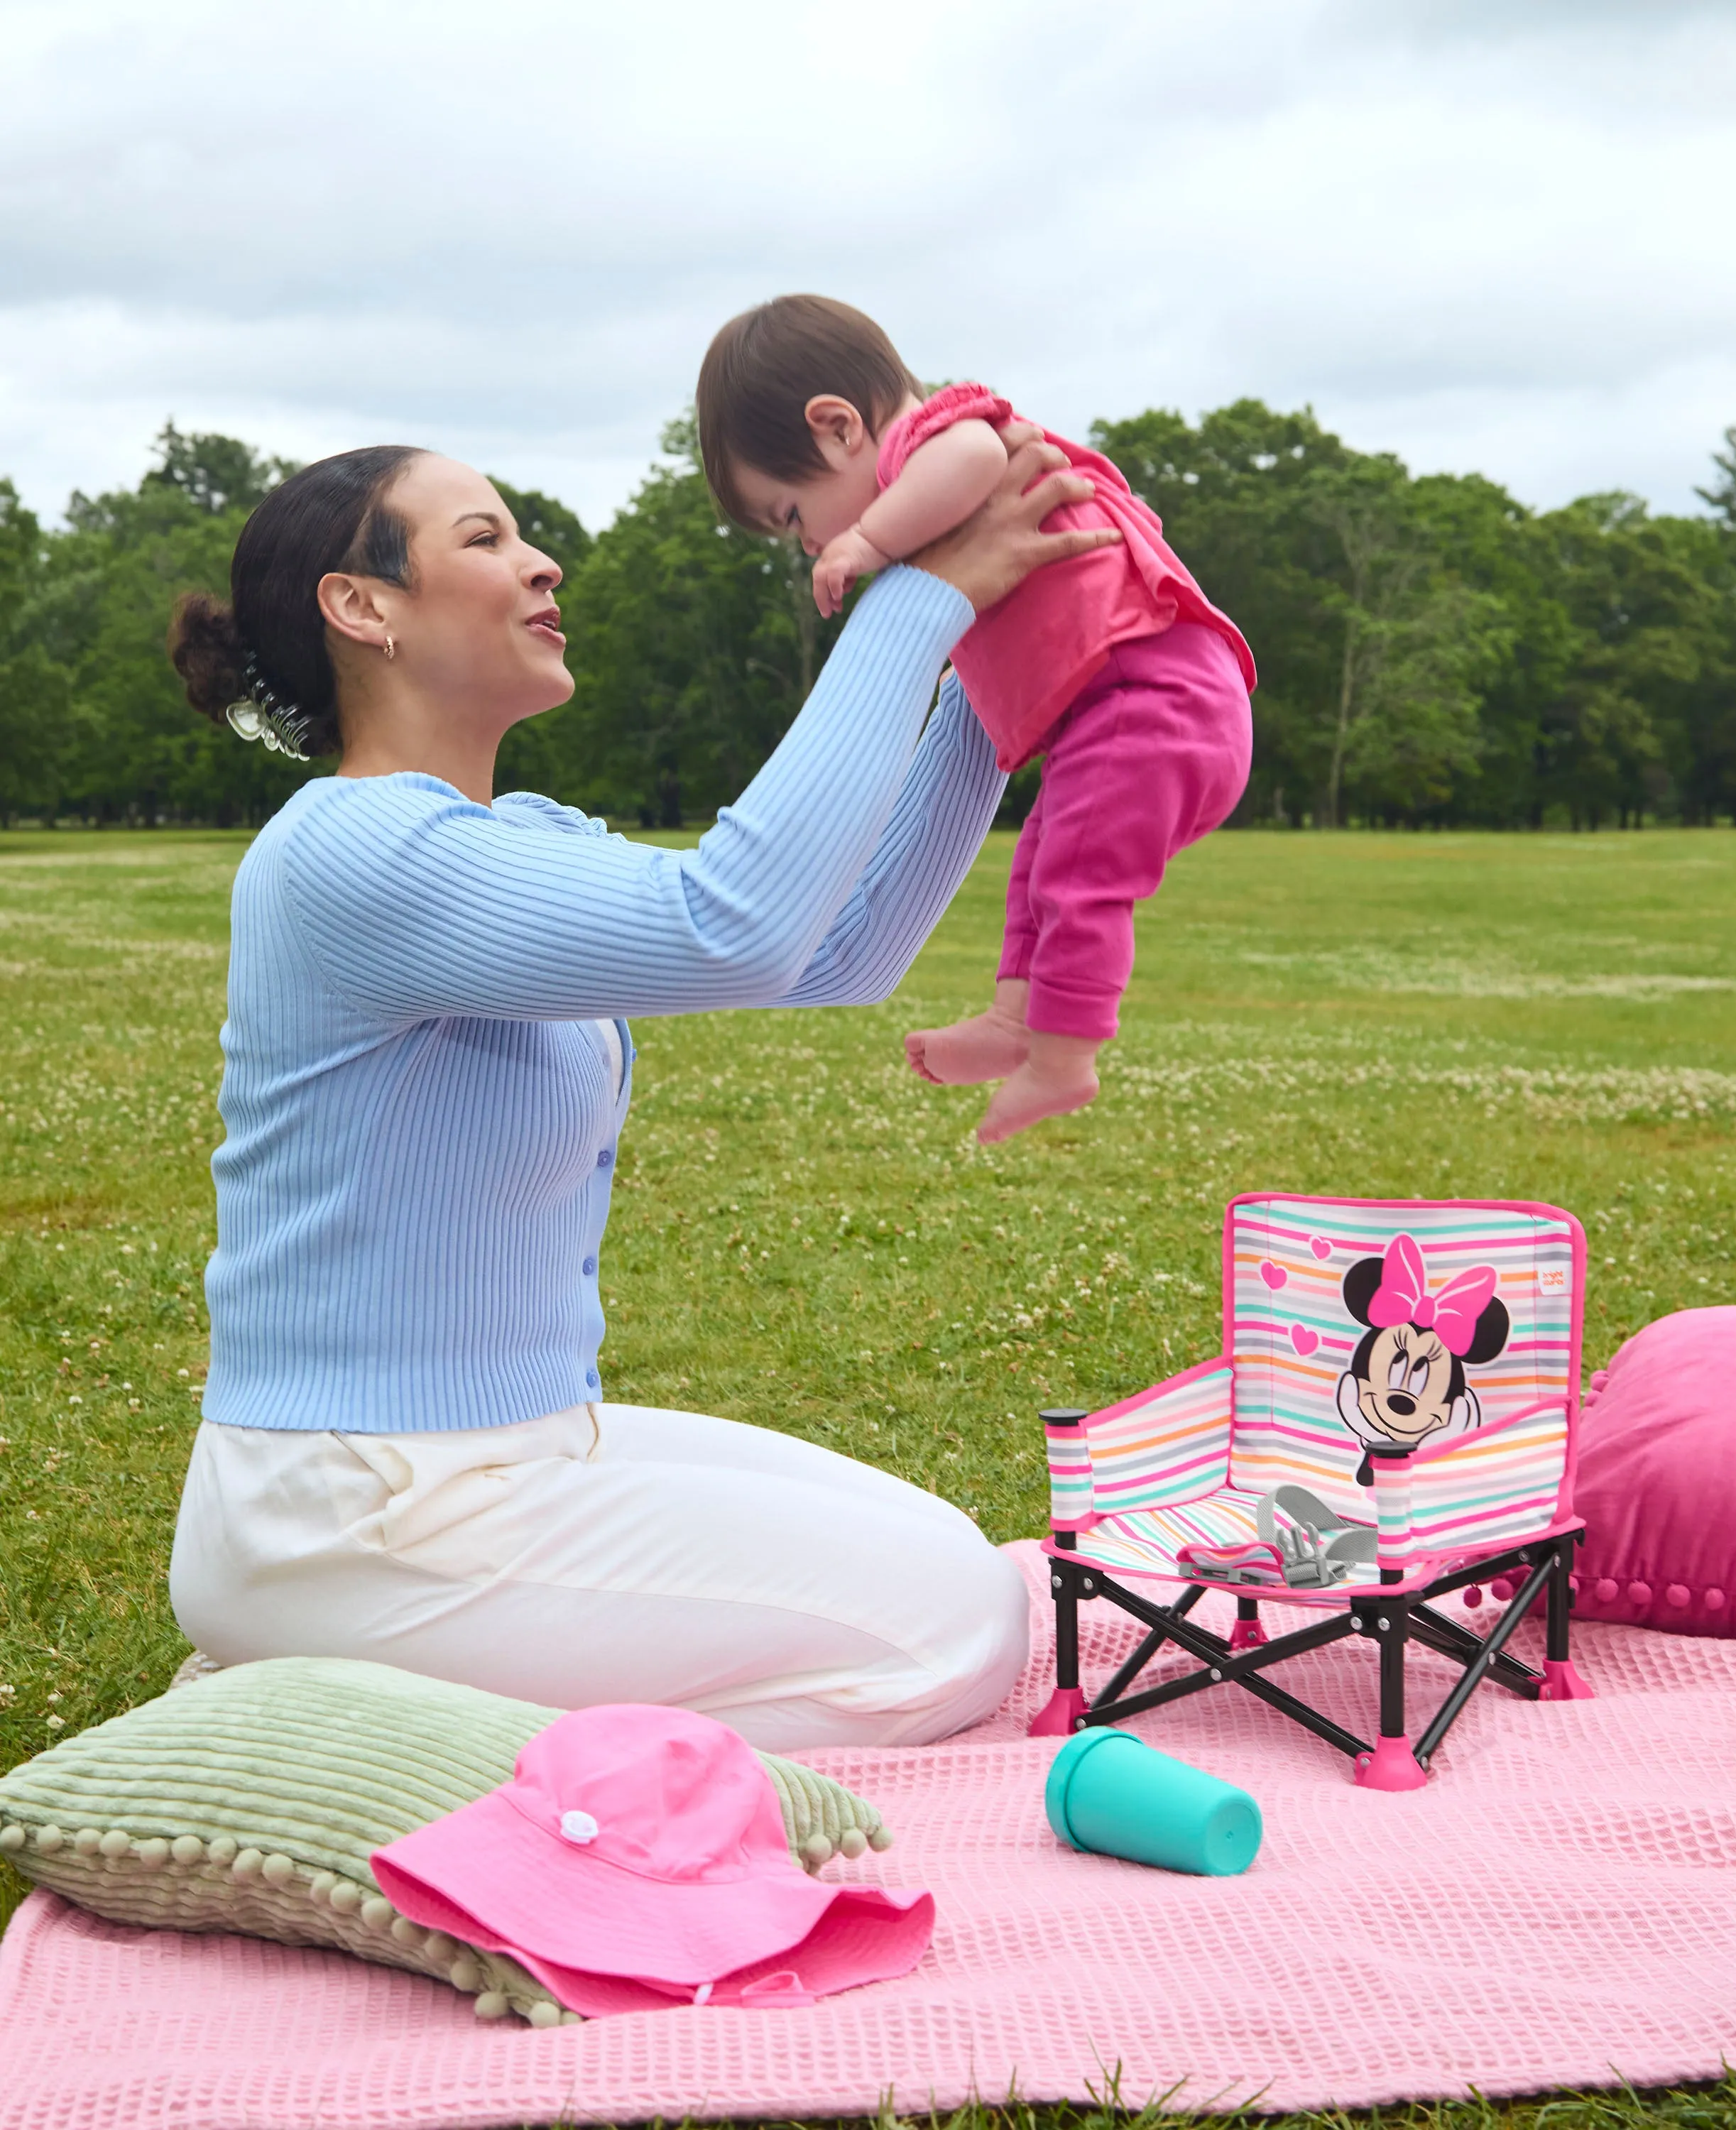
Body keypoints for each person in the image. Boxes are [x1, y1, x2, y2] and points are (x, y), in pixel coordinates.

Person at [162, 434, 1120, 1749]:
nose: (542, 561)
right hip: (354, 1512)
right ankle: (376, 1736)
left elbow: (832, 955)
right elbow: (732, 923)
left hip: (513, 1446)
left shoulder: (516, 839)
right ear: (362, 605)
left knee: (946, 1548)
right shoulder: (345, 853)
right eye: (485, 538)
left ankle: (382, 1690)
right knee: (959, 1625)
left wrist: (989, 695)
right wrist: (921, 594)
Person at [696, 295, 1255, 1144]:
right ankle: (1016, 1015)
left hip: (1157, 700)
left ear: (839, 428)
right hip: (1121, 715)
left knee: (1077, 878)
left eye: (792, 516)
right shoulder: (936, 489)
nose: (810, 545)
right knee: (1039, 862)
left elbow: (968, 457)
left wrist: (870, 542)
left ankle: (1065, 1058)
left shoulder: (941, 435)